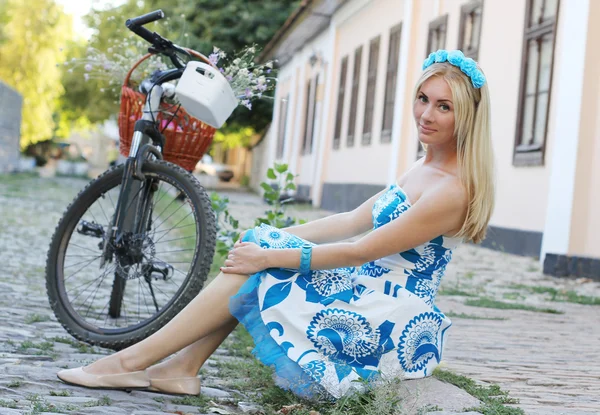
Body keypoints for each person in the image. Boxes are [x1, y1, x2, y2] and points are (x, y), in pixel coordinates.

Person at [57, 49, 495, 400]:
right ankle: (178, 368)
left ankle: (131, 364)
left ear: (467, 117)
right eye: (423, 99)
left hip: (384, 317)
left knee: (263, 258)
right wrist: (266, 240)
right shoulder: (421, 167)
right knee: (260, 246)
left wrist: (270, 253)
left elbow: (363, 249)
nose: (427, 114)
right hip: (367, 287)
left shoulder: (452, 190)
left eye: (444, 107)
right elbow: (351, 220)